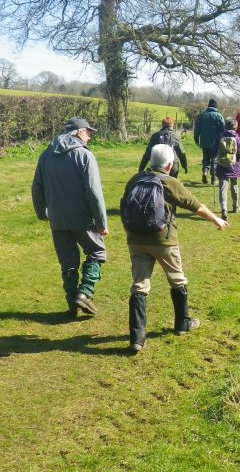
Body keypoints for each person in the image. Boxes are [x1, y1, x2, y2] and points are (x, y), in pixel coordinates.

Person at [121, 144, 228, 353]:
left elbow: (124, 207)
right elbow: (196, 206)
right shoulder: (170, 182)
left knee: (139, 286)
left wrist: (130, 233)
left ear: (151, 161)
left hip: (136, 240)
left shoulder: (135, 179)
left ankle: (137, 338)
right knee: (177, 279)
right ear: (170, 165)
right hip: (164, 241)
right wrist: (216, 220)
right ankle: (182, 324)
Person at [31, 117, 108, 317]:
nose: (89, 136)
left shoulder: (45, 156)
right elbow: (94, 192)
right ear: (79, 132)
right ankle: (85, 293)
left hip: (57, 218)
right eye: (88, 132)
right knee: (96, 251)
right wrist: (101, 223)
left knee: (68, 261)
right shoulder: (84, 155)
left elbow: (37, 188)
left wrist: (42, 213)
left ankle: (72, 303)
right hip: (83, 217)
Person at [215, 118, 240, 220]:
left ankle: (224, 208)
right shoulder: (237, 138)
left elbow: (213, 150)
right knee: (234, 185)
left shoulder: (220, 137)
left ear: (225, 126)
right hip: (234, 166)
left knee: (223, 188)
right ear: (236, 127)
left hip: (221, 166)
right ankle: (235, 206)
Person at [193, 99, 225, 185]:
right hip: (215, 143)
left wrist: (196, 139)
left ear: (208, 105)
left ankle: (205, 172)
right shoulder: (219, 116)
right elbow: (222, 130)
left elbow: (197, 129)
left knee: (206, 159)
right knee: (214, 160)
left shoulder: (202, 115)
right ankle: (214, 178)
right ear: (216, 106)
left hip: (204, 142)